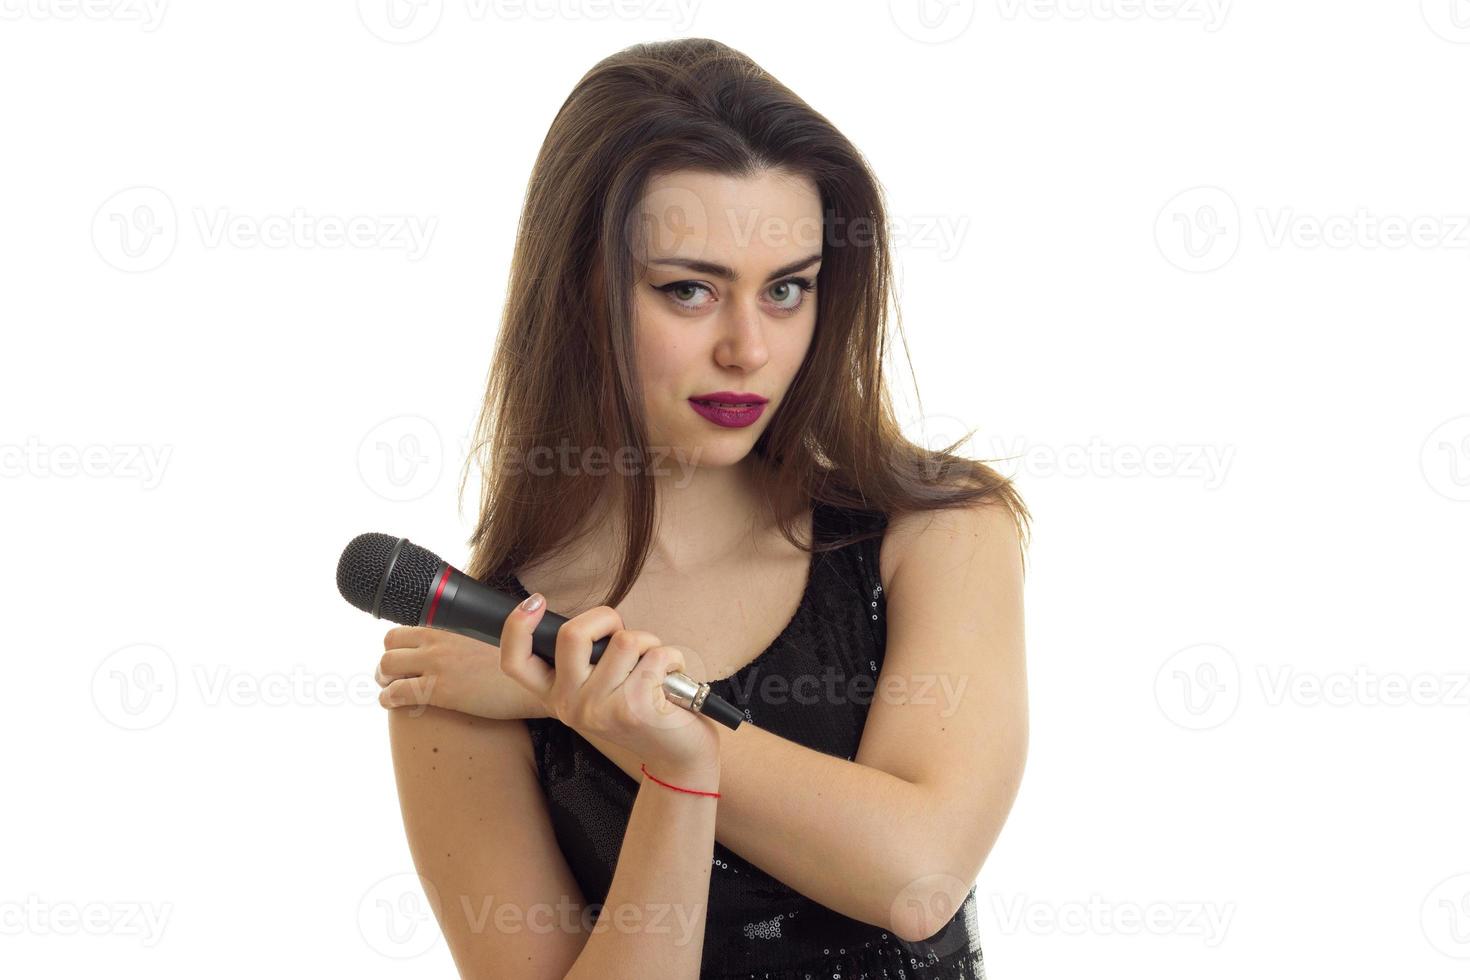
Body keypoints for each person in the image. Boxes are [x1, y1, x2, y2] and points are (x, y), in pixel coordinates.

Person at [376, 37, 1030, 979]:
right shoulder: (466, 660)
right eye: (689, 290)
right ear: (577, 294)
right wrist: (671, 769)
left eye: (788, 290)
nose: (748, 349)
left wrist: (582, 700)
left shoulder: (938, 531)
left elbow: (917, 877)